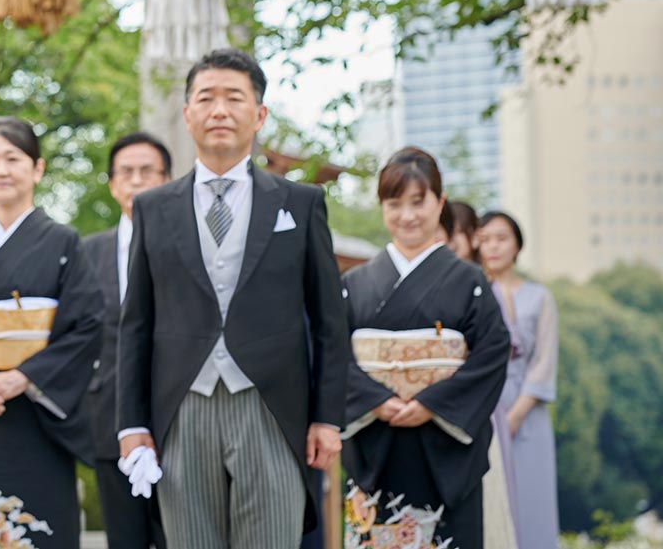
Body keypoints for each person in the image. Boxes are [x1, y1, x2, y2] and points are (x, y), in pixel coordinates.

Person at [116, 47, 348, 549]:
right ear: (187, 114)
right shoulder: (153, 207)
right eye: (206, 98)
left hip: (271, 404)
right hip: (182, 406)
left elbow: (329, 319)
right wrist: (131, 425)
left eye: (234, 98)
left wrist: (328, 417)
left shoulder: (300, 203)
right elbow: (135, 323)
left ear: (259, 114)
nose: (219, 110)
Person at [0, 118, 103, 549]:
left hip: (37, 416)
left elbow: (87, 326)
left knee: (40, 530)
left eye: (13, 158)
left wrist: (24, 376)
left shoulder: (64, 242)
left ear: (37, 168)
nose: (1, 170)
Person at [342, 148, 511, 549]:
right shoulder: (356, 283)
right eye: (394, 203)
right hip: (375, 441)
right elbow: (330, 353)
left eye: (419, 202)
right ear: (382, 207)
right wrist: (376, 400)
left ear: (439, 201)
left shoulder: (469, 281)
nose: (407, 216)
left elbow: (491, 352)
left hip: (443, 445)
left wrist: (432, 403)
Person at [83, 133, 171, 549]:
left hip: (178, 416)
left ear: (167, 179)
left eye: (147, 172)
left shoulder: (186, 246)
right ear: (113, 183)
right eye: (126, 173)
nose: (136, 181)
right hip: (108, 417)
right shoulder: (87, 252)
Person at [478, 210, 560, 549]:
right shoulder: (475, 292)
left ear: (517, 245)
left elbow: (544, 361)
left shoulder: (539, 298)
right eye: (484, 239)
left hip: (528, 414)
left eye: (501, 238)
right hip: (483, 406)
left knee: (531, 500)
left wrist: (515, 414)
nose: (493, 247)